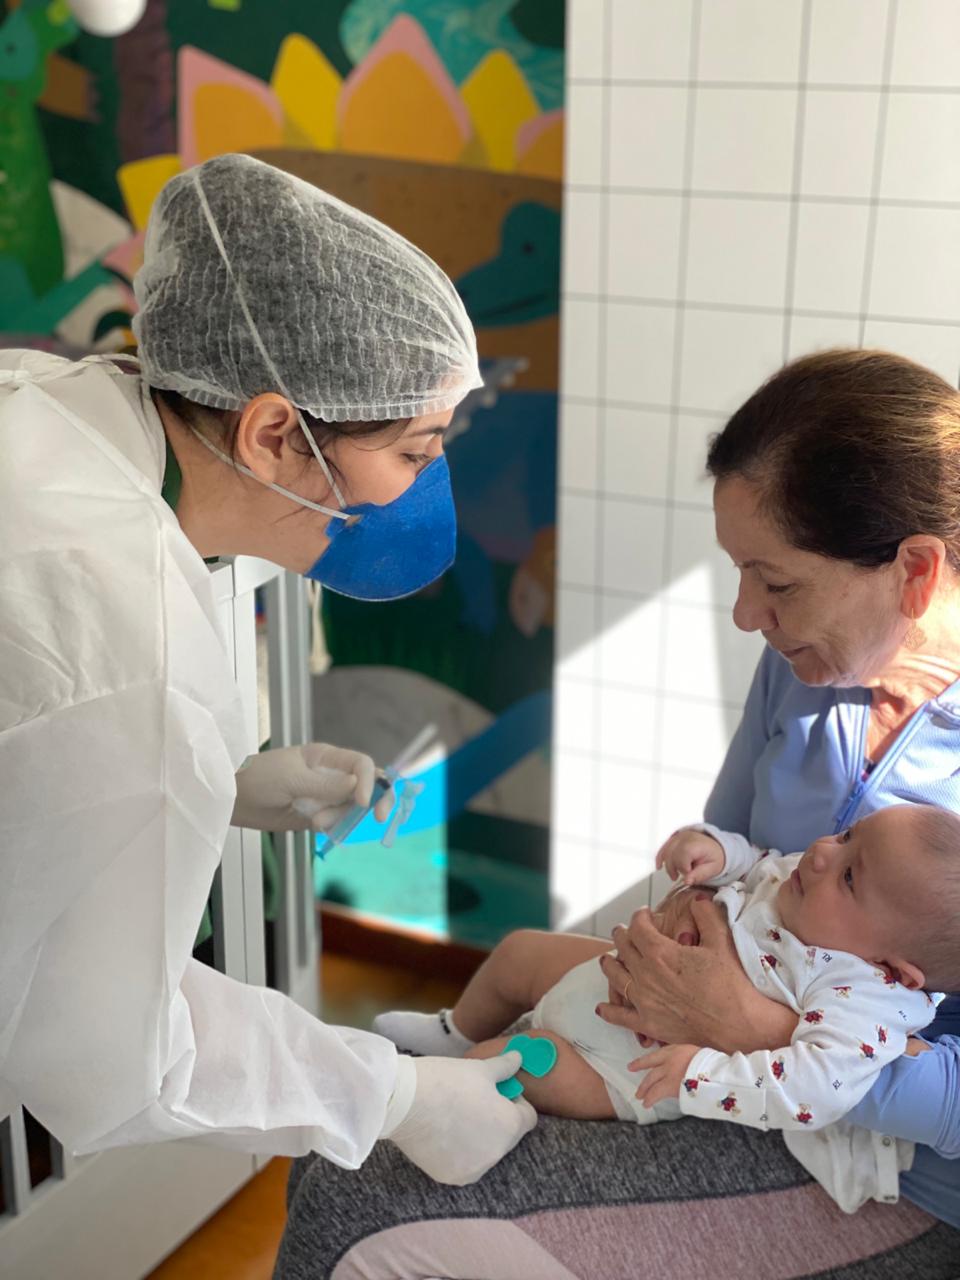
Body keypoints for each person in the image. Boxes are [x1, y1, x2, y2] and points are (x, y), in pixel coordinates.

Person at [273, 350, 960, 1278]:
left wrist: (751, 1027)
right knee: (347, 1140)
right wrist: (690, 910)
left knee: (358, 1207)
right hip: (699, 1051)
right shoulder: (806, 669)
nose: (746, 614)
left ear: (914, 570)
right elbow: (726, 845)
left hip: (876, 1169)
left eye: (778, 583)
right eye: (739, 573)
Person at [0, 153, 536, 1186]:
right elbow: (115, 1055)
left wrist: (224, 784)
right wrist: (396, 1094)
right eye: (417, 450)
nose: (431, 485)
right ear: (276, 431)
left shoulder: (57, 404)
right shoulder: (129, 660)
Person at [376, 804, 957, 1213]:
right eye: (849, 833)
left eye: (852, 875)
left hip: (626, 1064)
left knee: (511, 1061)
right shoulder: (806, 879)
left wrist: (699, 1076)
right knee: (518, 953)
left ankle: (466, 1106)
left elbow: (813, 1091)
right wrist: (712, 849)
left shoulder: (863, 1004)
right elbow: (759, 860)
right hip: (611, 974)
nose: (827, 853)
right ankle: (452, 1031)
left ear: (893, 971)